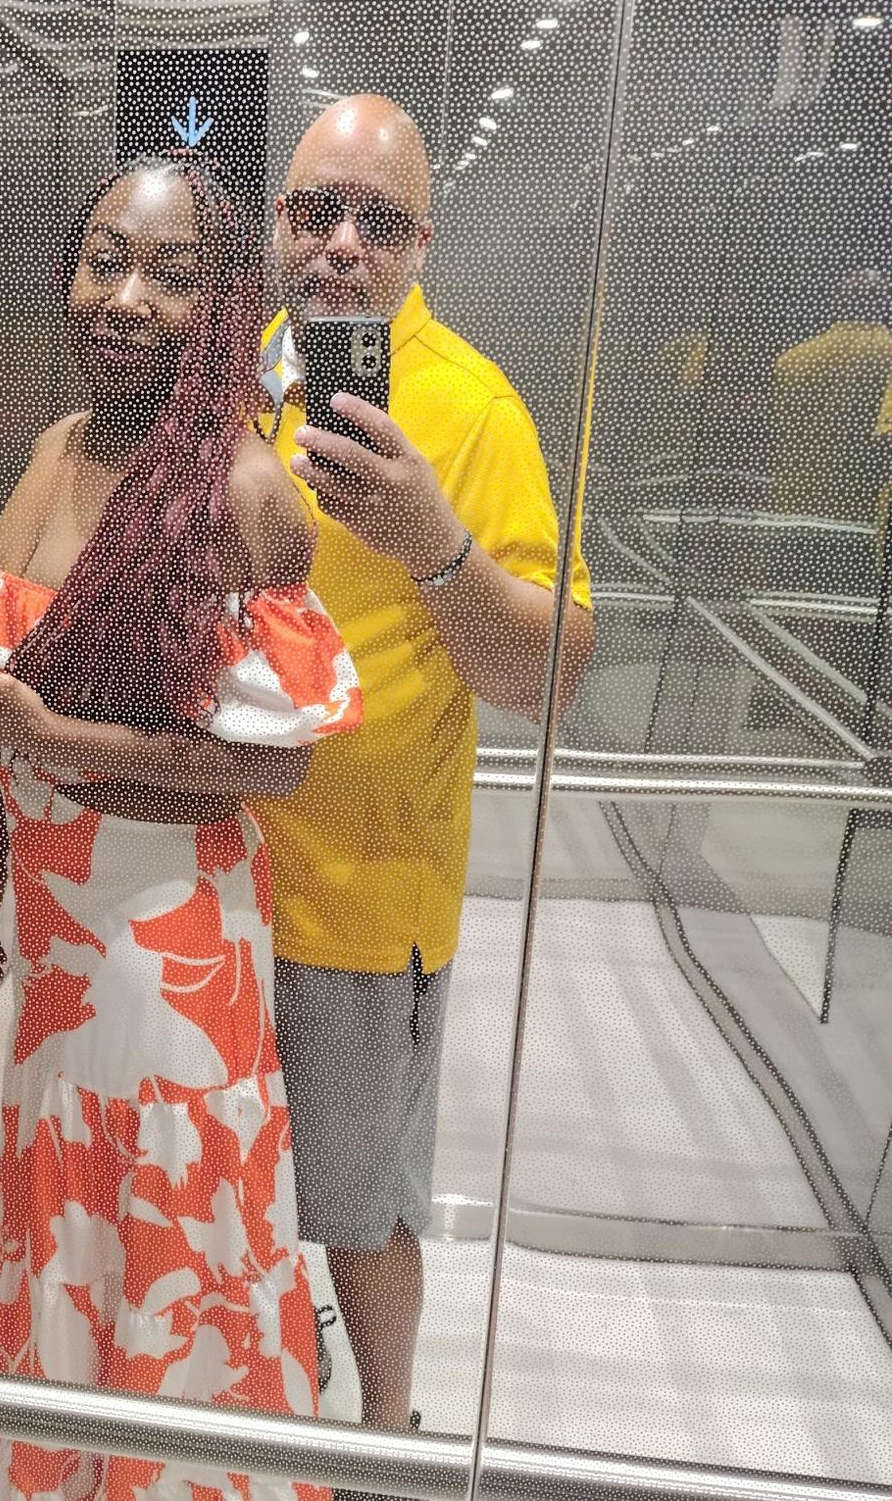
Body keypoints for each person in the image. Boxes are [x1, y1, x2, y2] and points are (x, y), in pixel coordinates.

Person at [0, 154, 363, 1501]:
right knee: (70, 1202)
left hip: (171, 935)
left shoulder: (244, 491)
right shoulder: (55, 446)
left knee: (167, 1208)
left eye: (170, 277)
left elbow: (274, 767)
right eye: (104, 260)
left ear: (222, 306)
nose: (123, 298)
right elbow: (14, 699)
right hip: (56, 919)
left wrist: (52, 743)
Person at [249, 96, 597, 1443]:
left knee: (358, 1207)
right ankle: (264, 1390)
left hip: (355, 897)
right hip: (205, 873)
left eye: (378, 222)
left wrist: (435, 546)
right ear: (279, 222)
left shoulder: (471, 406)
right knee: (232, 1176)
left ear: (420, 245)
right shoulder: (241, 370)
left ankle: (387, 1435)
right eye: (315, 210)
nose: (341, 242)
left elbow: (551, 671)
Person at [772, 267, 892, 524]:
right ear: (884, 304)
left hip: (795, 502)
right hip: (861, 509)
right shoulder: (886, 356)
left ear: (839, 302)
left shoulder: (792, 361)